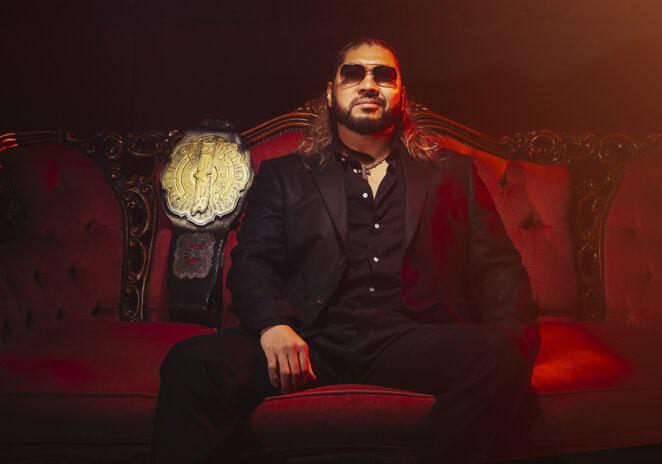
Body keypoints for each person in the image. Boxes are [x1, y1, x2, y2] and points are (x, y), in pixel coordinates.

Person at [150, 38, 539, 464]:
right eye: (353, 74)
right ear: (331, 92)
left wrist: (511, 336)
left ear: (401, 94)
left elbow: (497, 267)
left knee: (503, 354)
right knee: (191, 364)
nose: (368, 84)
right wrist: (272, 325)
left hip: (412, 338)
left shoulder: (451, 173)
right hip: (311, 339)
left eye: (383, 76)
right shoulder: (284, 175)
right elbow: (252, 261)